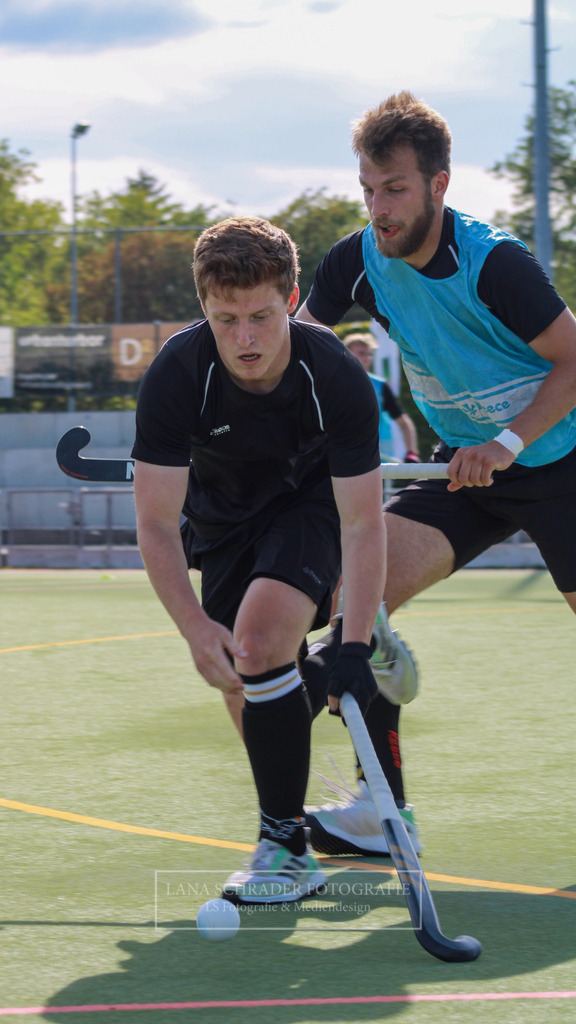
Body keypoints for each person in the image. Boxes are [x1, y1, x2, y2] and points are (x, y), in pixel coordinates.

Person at [298, 91, 576, 858]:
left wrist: (509, 441)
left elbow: (574, 359)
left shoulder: (494, 264)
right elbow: (302, 352)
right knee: (356, 593)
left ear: (438, 185)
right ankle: (378, 812)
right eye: (368, 190)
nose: (379, 209)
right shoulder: (357, 260)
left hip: (557, 457)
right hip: (464, 471)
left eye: (395, 189)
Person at [131, 215, 388, 904]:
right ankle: (295, 819)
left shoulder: (333, 372)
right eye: (225, 319)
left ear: (292, 296)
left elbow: (363, 524)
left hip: (308, 503)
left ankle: (285, 847)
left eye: (262, 316)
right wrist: (190, 627)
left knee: (258, 637)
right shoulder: (176, 375)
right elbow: (155, 525)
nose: (245, 339)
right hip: (219, 520)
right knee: (247, 679)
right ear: (203, 308)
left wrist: (355, 644)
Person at [342, 331, 420, 462]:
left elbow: (404, 422)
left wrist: (411, 452)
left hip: (377, 457)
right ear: (346, 352)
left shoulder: (380, 385)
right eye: (362, 353)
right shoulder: (331, 382)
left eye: (370, 354)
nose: (367, 358)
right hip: (342, 455)